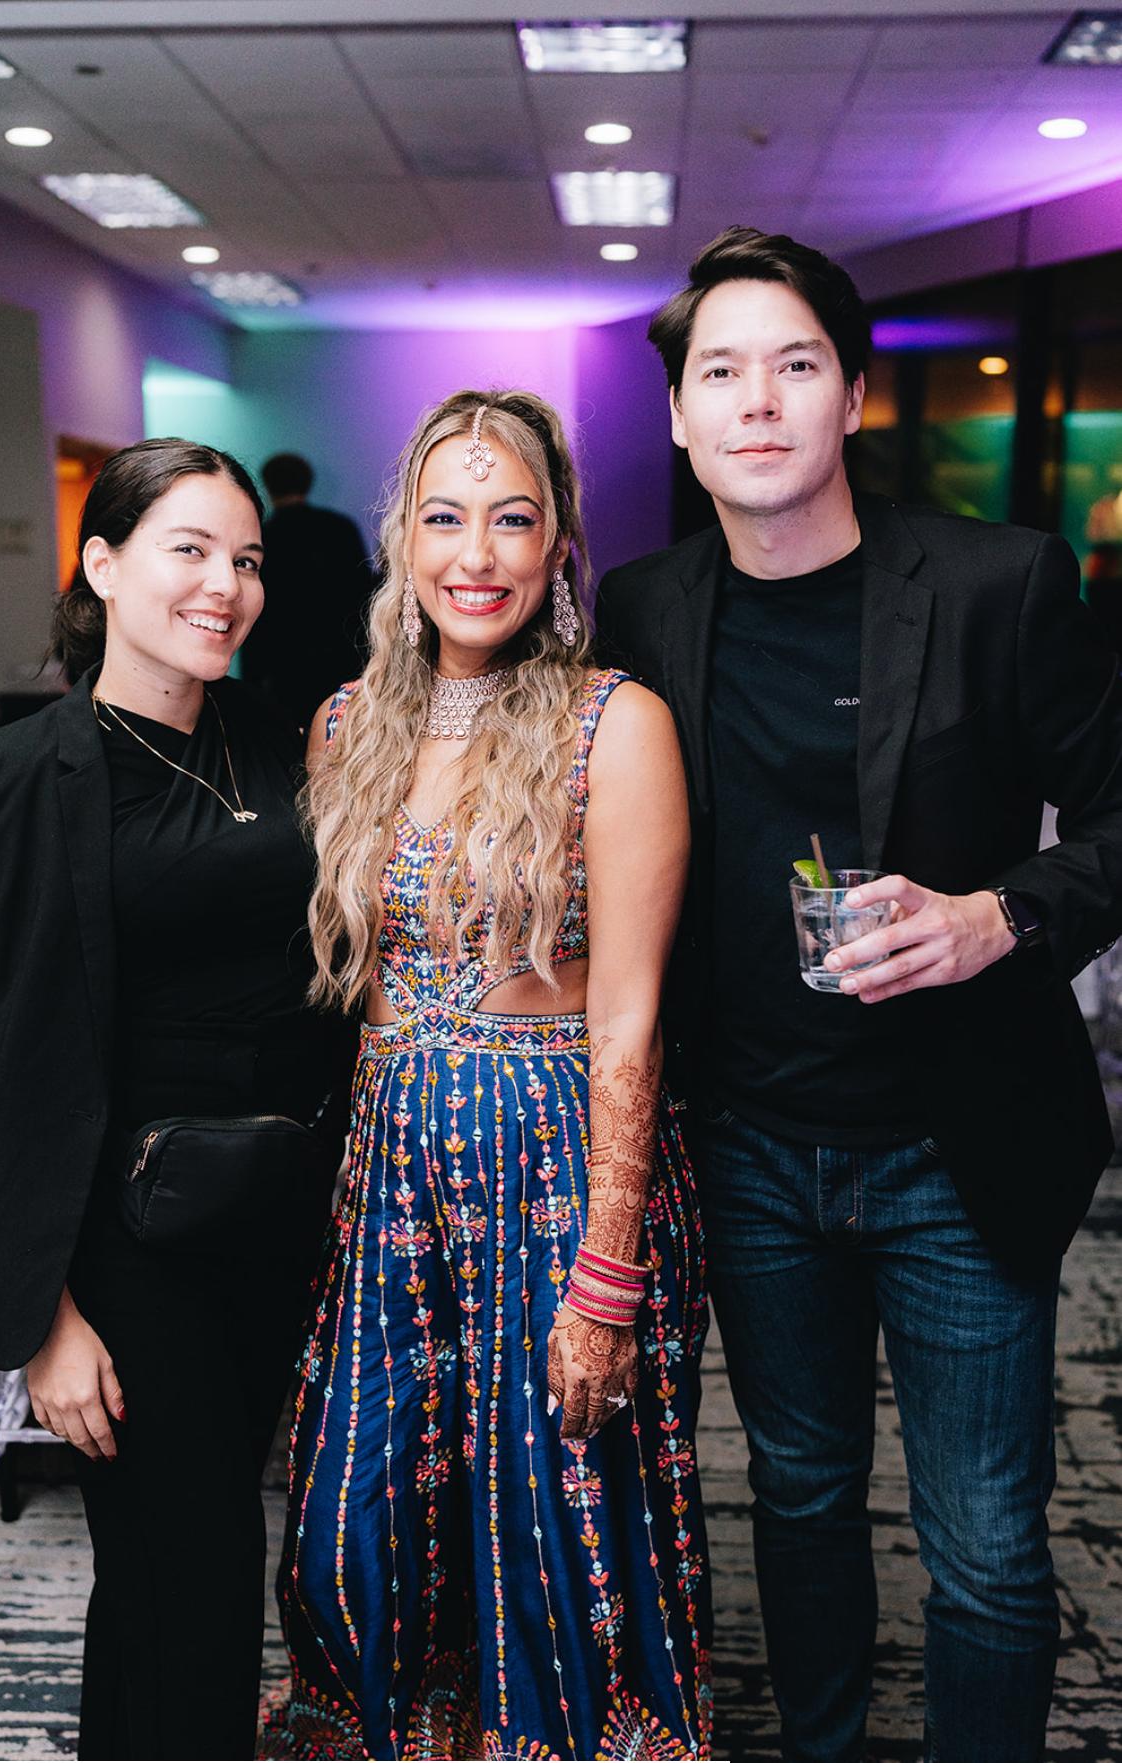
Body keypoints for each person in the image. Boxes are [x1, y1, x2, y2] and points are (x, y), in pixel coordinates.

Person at [594, 225, 1122, 1763]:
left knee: (985, 1541)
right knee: (801, 1491)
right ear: (679, 417)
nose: (757, 400)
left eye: (795, 364)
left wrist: (994, 916)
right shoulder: (642, 607)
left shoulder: (995, 583)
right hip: (749, 1139)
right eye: (720, 373)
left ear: (850, 396)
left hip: (957, 1138)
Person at [264, 391, 712, 1761]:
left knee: (555, 1528)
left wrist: (607, 1274)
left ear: (558, 543)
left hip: (556, 1170)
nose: (477, 553)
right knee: (357, 1515)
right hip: (393, 1174)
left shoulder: (612, 723)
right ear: (401, 536)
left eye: (511, 519)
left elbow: (627, 1015)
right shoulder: (347, 724)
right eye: (445, 517)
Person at [0, 438, 350, 1761]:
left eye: (247, 559)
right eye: (191, 549)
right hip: (120, 1243)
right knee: (201, 1568)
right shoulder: (7, 781)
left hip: (275, 1221)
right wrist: (37, 1318)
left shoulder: (287, 748)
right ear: (101, 565)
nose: (227, 584)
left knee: (167, 1576)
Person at [238, 450, 373, 728]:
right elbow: (364, 595)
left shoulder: (264, 536)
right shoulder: (340, 528)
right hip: (342, 657)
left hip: (285, 665)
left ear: (267, 486)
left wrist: (251, 680)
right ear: (308, 482)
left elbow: (255, 611)